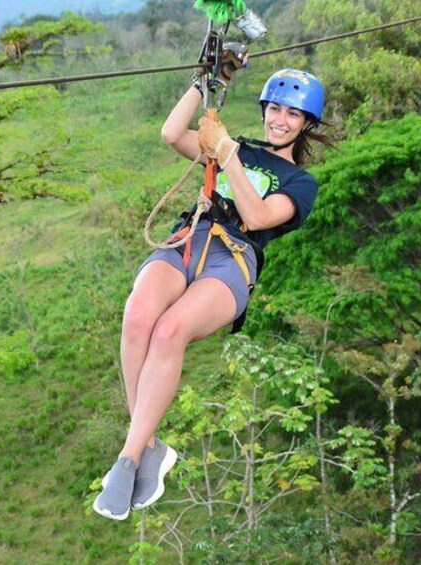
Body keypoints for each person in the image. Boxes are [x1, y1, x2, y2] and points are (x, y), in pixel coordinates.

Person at [93, 66, 329, 520]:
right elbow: (171, 132)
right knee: (138, 316)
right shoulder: (232, 146)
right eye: (274, 109)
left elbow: (259, 217)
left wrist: (228, 155)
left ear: (306, 125)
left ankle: (127, 459)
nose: (279, 120)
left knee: (169, 331)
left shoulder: (301, 183)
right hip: (192, 234)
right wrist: (205, 82)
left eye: (292, 115)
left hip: (234, 257)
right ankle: (148, 447)